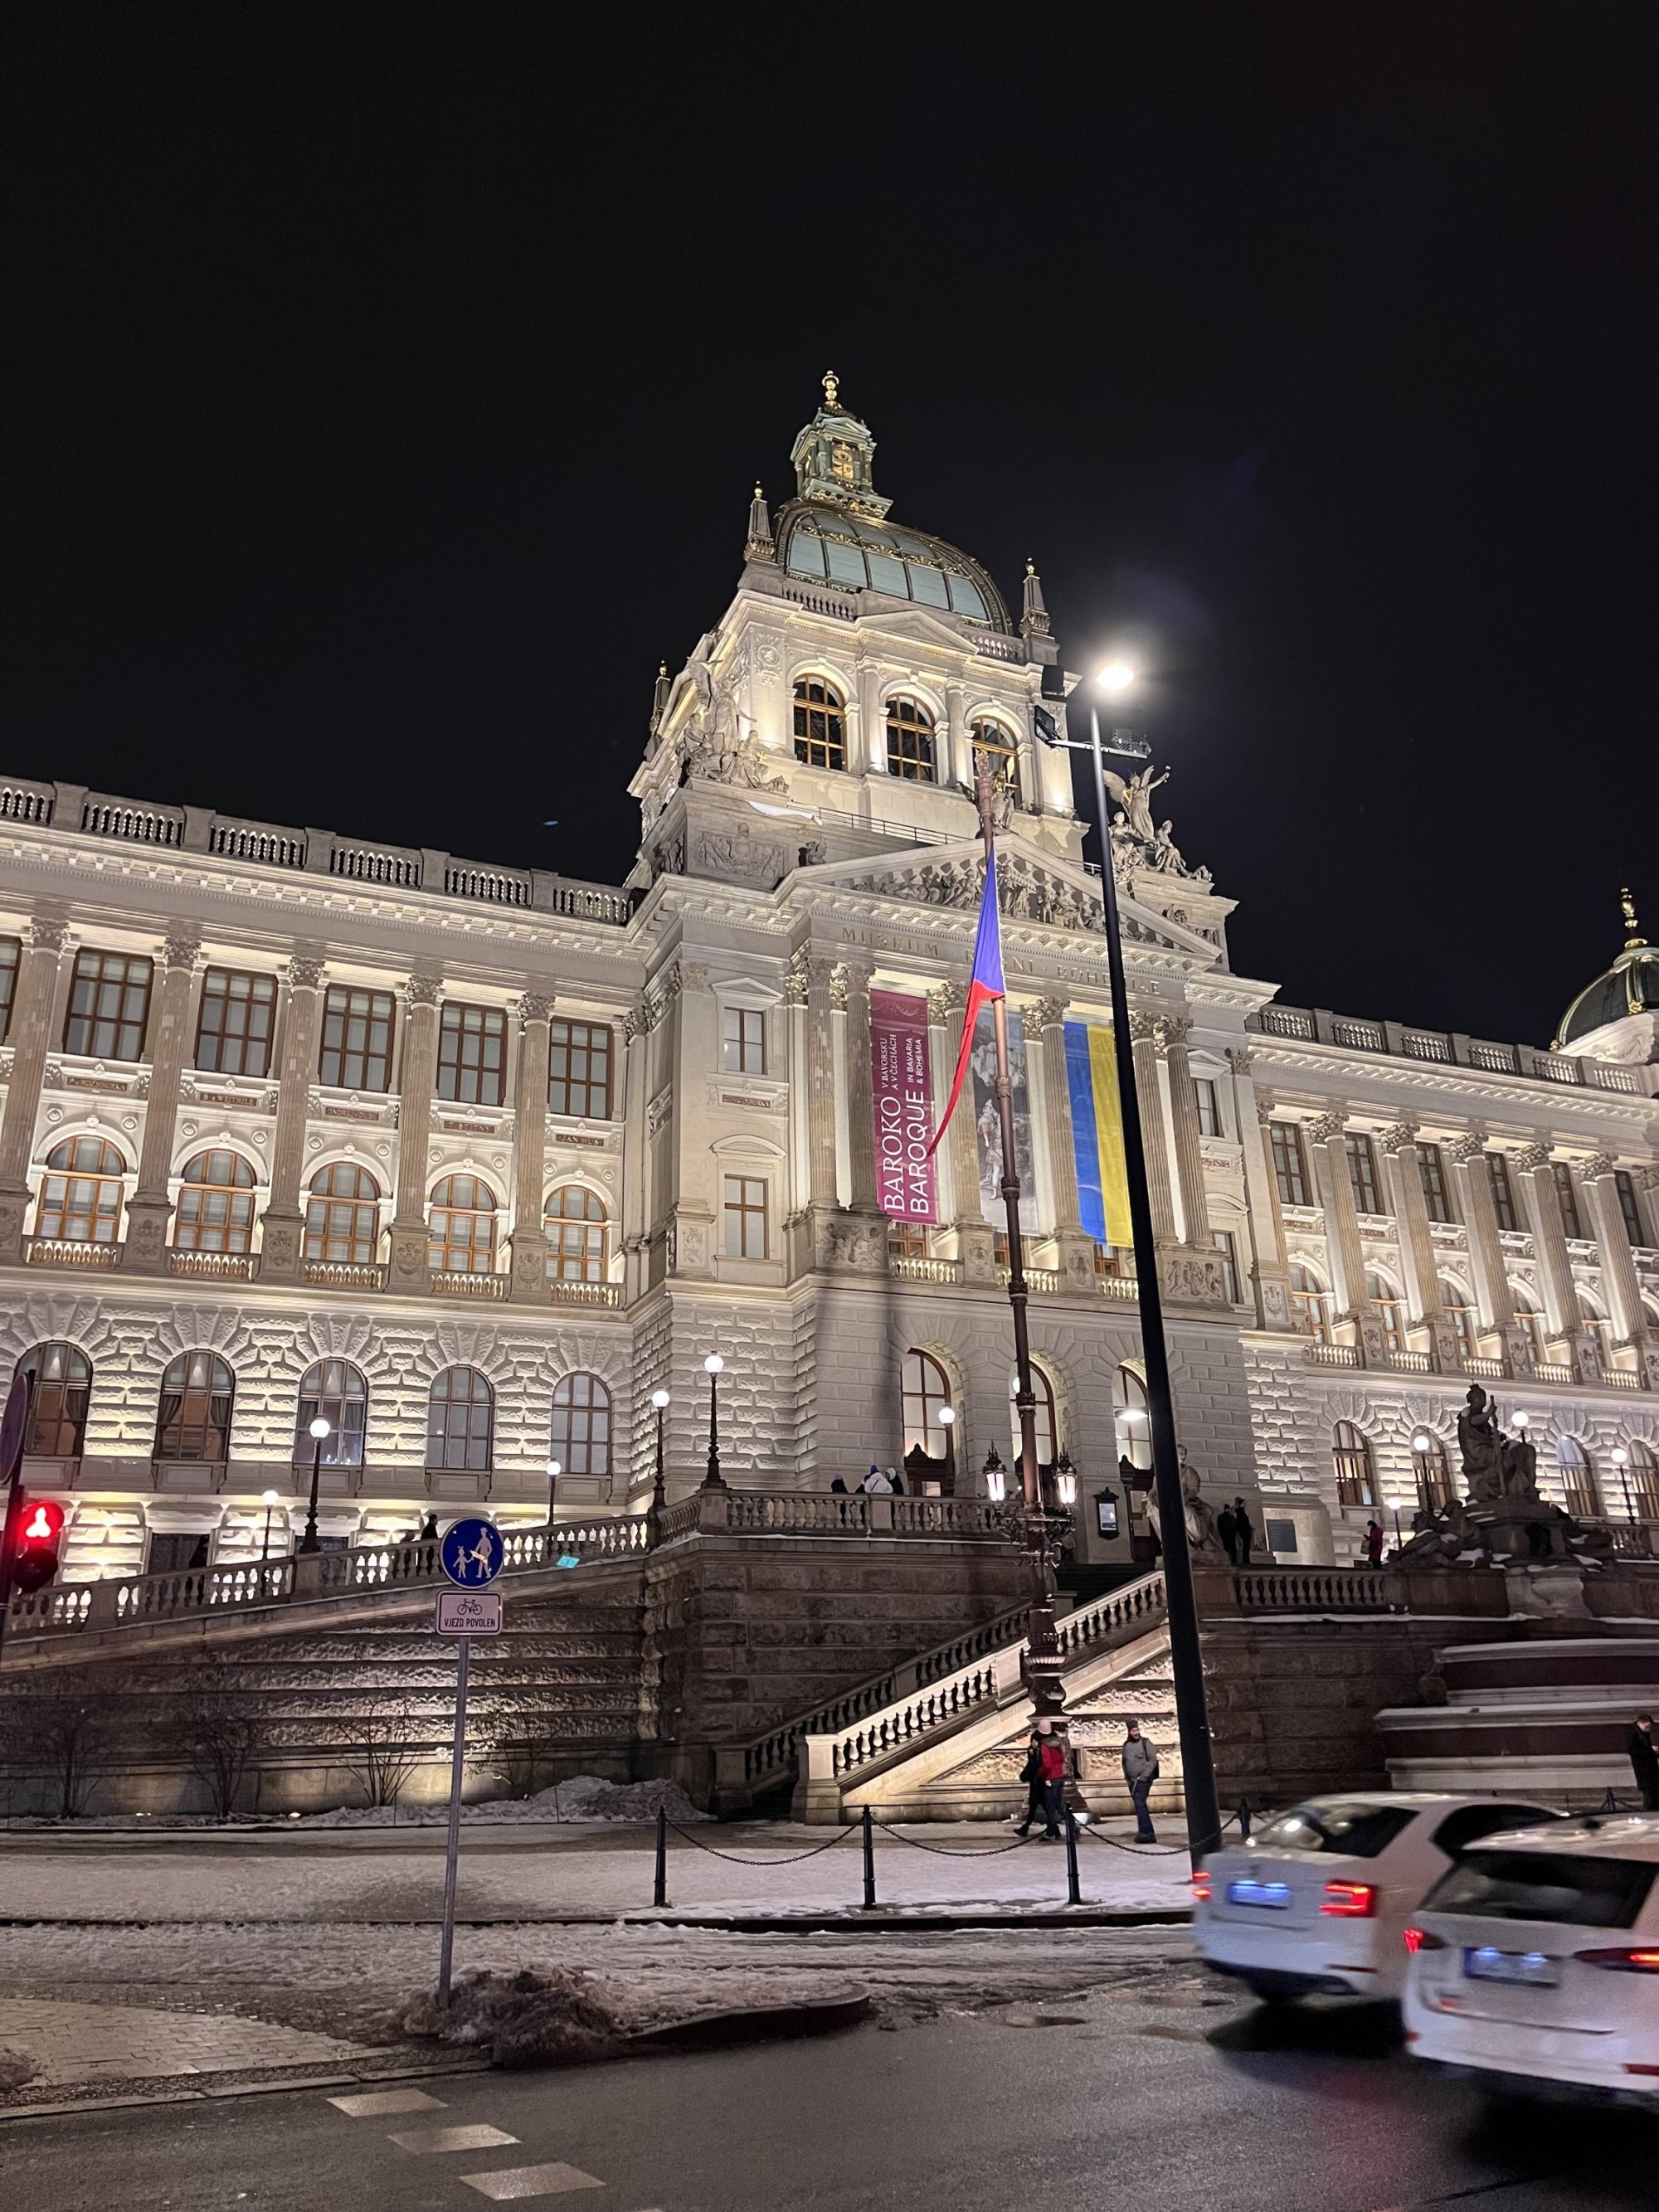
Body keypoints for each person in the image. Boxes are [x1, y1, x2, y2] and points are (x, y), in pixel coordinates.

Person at [1121, 1719, 1160, 1843]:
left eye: (1137, 1730)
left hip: (1143, 1780)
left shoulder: (1146, 1743)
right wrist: (1128, 1778)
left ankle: (1147, 1833)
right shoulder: (1126, 1745)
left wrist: (1143, 1776)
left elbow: (1152, 1761)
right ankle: (1144, 1831)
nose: (1136, 1733)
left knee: (1140, 1804)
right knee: (1139, 1806)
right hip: (1132, 1781)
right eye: (1133, 1731)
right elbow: (1125, 1762)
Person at [1012, 1723, 1047, 1836]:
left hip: (1039, 1783)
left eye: (1034, 1741)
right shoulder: (1033, 1751)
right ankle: (1026, 1828)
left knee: (1047, 1808)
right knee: (1037, 1808)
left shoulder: (1039, 1753)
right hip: (1035, 1783)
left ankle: (1056, 1828)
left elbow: (1035, 1766)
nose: (1032, 1743)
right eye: (1032, 1741)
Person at [1628, 1713, 1659, 1811]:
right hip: (1643, 1770)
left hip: (1650, 1769)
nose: (1648, 1729)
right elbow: (1633, 1751)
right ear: (1640, 1723)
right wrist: (1651, 1750)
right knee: (1649, 1794)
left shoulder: (1643, 1734)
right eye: (1646, 1727)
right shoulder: (1633, 1734)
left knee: (1654, 1792)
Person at [1233, 1498, 1255, 1567]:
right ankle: (1246, 1560)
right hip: (1244, 1531)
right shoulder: (1241, 1512)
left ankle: (1246, 1559)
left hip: (1244, 1531)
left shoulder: (1240, 1512)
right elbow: (1242, 1523)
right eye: (1244, 1503)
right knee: (1246, 1546)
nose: (1245, 1505)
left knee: (1246, 1546)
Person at [1217, 1501, 1238, 1566]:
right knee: (1230, 1549)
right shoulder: (1231, 1517)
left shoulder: (1222, 1517)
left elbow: (1220, 1527)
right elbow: (1220, 1527)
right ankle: (1232, 1561)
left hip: (1228, 1535)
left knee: (1230, 1549)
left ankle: (1231, 1561)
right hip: (1228, 1535)